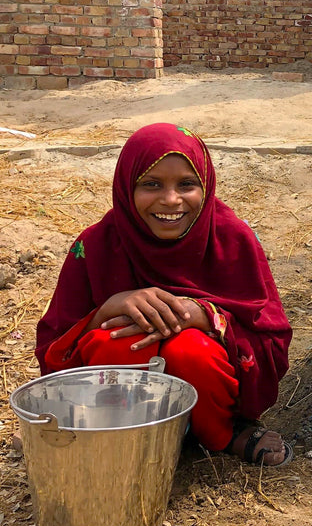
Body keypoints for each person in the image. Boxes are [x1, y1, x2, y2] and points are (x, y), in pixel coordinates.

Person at [36, 123, 294, 467]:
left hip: (211, 393)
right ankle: (124, 439)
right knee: (114, 340)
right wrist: (107, 309)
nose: (170, 200)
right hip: (116, 412)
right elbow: (54, 351)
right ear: (127, 187)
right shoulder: (96, 246)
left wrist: (206, 317)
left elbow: (271, 338)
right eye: (151, 184)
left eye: (186, 184)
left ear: (206, 184)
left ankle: (220, 433)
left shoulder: (231, 239)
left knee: (190, 350)